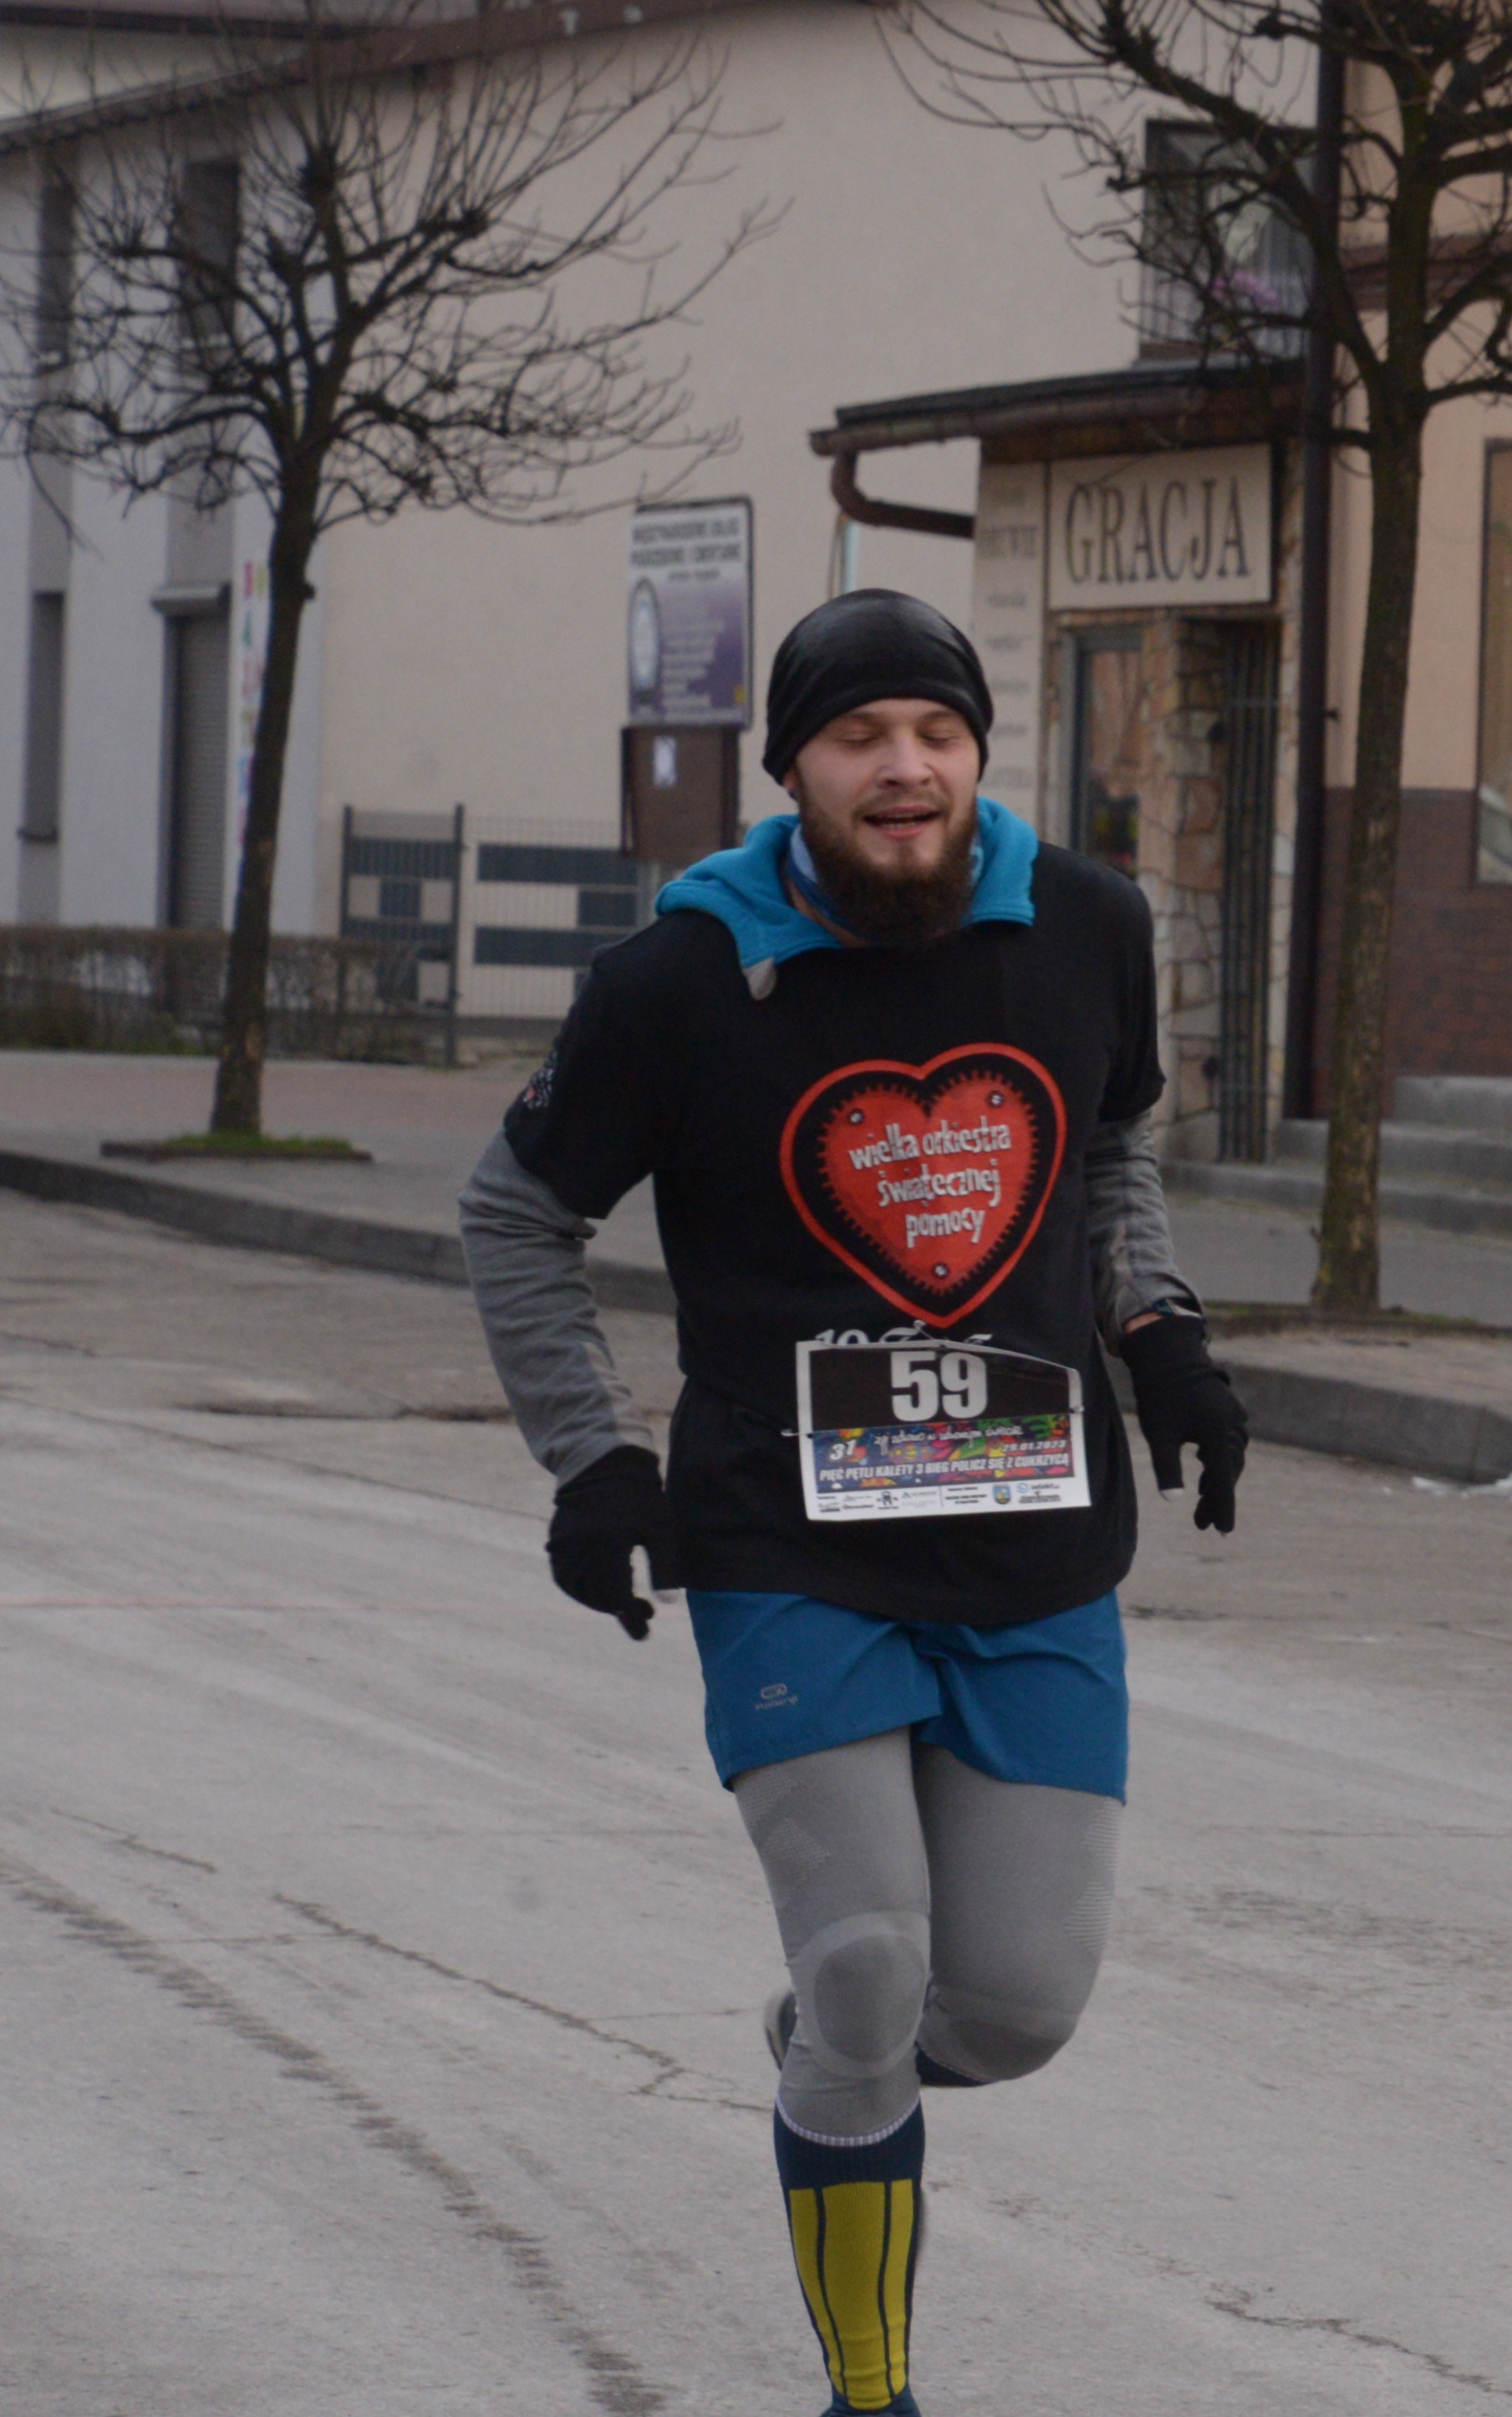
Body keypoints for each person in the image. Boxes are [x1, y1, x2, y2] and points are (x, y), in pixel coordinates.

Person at [459, 589, 1250, 2417]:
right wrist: (593, 1458)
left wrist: (1161, 1327)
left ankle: (837, 2053)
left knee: (1019, 2004)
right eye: (859, 740)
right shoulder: (680, 975)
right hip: (788, 1545)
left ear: (979, 750)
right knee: (872, 1948)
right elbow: (518, 1212)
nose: (905, 770)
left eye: (937, 734)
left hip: (1034, 1541)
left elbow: (1112, 1144)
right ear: (795, 770)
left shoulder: (1087, 926)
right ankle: (869, 2388)